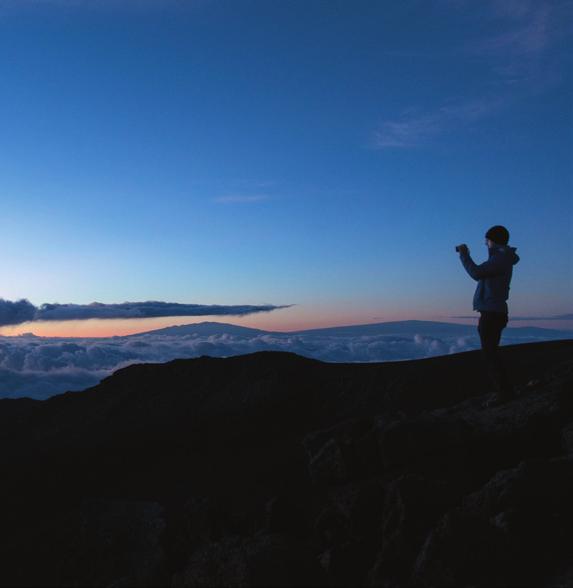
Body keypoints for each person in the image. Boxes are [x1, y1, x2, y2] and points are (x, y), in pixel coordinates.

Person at [457, 225, 520, 407]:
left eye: (487, 240)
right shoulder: (501, 259)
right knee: (491, 353)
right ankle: (504, 390)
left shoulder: (500, 259)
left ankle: (505, 393)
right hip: (493, 311)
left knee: (490, 354)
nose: (485, 244)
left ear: (494, 240)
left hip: (492, 313)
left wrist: (464, 255)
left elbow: (476, 273)